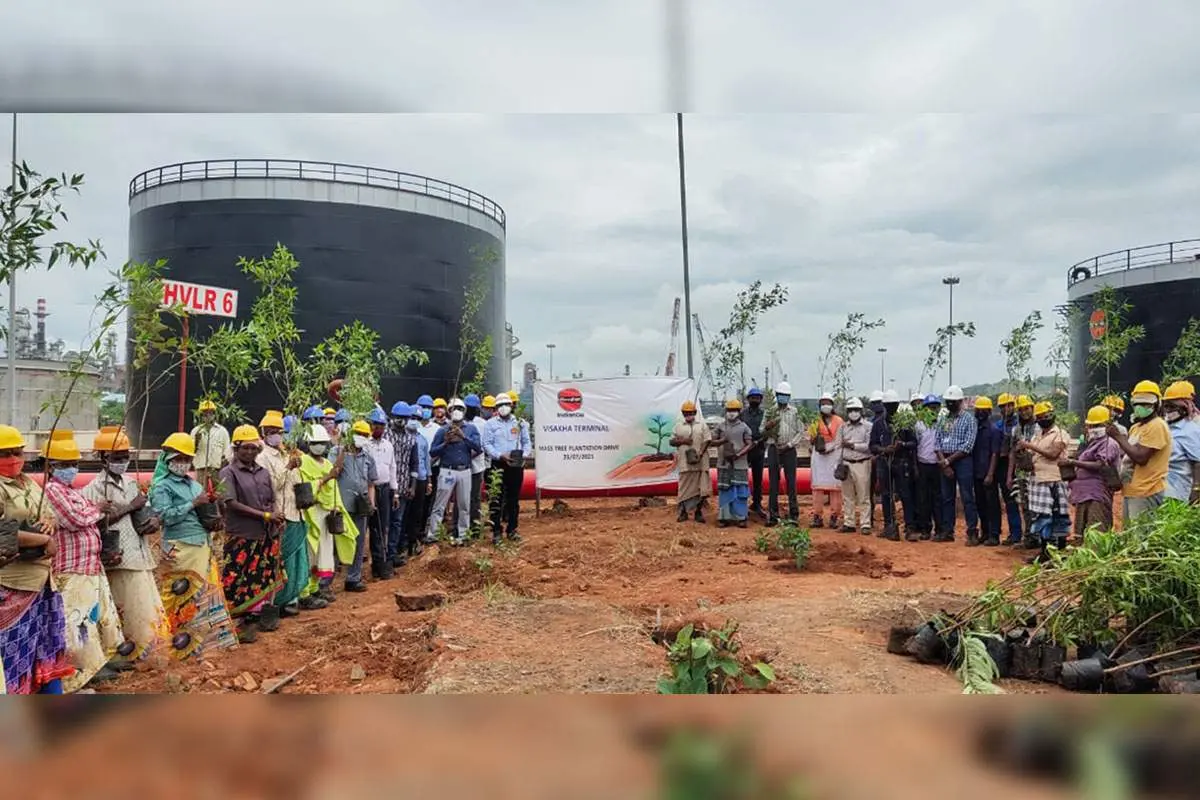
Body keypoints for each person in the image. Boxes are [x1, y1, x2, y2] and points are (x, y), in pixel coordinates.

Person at [41, 430, 127, 691]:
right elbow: (76, 518)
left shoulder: (70, 491)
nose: (71, 469)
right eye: (65, 465)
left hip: (88, 565)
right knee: (77, 621)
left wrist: (92, 509)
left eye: (74, 464)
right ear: (50, 466)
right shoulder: (54, 490)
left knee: (96, 616)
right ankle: (78, 672)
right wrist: (97, 509)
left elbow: (85, 511)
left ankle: (96, 665)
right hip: (72, 567)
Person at [81, 425, 168, 661]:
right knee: (129, 610)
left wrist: (153, 521)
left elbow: (141, 516)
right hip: (119, 558)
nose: (122, 461)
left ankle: (146, 653)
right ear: (103, 458)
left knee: (144, 606)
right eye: (116, 457)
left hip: (139, 555)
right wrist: (130, 507)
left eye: (125, 457)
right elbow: (93, 524)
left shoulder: (131, 483)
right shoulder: (93, 489)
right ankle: (132, 656)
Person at [149, 432, 239, 660]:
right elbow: (163, 517)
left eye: (186, 459)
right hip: (180, 546)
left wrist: (213, 511)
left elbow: (204, 512)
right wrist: (192, 504)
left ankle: (207, 645)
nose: (182, 463)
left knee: (204, 594)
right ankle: (181, 647)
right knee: (182, 594)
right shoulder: (162, 487)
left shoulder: (193, 484)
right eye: (178, 458)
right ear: (168, 459)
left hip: (200, 543)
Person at [0, 425, 73, 694]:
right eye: (4, 454)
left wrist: (49, 522)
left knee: (45, 647)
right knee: (13, 653)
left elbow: (49, 513)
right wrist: (43, 540)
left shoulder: (28, 482)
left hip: (42, 579)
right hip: (13, 582)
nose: (12, 459)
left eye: (16, 452)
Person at [217, 425, 285, 644]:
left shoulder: (263, 472)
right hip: (242, 534)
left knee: (260, 576)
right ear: (236, 449)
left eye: (254, 448)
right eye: (245, 448)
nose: (250, 452)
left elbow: (271, 498)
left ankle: (255, 616)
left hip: (265, 533)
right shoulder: (228, 473)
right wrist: (264, 516)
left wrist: (275, 517)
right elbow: (231, 503)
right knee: (236, 578)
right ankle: (235, 622)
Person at [256, 410, 315, 615]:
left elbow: (295, 482)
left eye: (279, 431)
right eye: (271, 431)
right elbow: (272, 486)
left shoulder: (286, 453)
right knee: (285, 559)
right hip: (281, 514)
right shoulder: (263, 457)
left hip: (296, 511)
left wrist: (295, 466)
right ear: (264, 433)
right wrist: (288, 468)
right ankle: (279, 600)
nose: (276, 435)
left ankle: (293, 597)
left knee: (299, 558)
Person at [297, 425, 359, 605]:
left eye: (322, 443)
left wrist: (336, 506)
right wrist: (326, 478)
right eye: (315, 443)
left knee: (324, 553)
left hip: (325, 514)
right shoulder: (303, 462)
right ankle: (304, 593)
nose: (319, 446)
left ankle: (316, 588)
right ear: (309, 444)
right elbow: (306, 489)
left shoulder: (327, 464)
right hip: (311, 512)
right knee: (310, 553)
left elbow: (333, 490)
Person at [1108, 380, 1172, 524]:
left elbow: (1141, 457)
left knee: (1140, 537)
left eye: (1146, 404)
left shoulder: (1157, 426)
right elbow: (1129, 455)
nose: (1140, 407)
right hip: (1131, 490)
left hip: (1146, 490)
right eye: (1137, 403)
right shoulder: (1136, 427)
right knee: (1129, 536)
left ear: (1156, 404)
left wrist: (1118, 437)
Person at [1017, 402, 1070, 560]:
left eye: (1046, 416)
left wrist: (1030, 446)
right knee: (1041, 517)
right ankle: (1045, 551)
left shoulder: (1060, 434)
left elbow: (1053, 454)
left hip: (1054, 480)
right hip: (1038, 481)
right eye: (1040, 417)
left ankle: (1058, 551)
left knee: (1056, 516)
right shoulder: (1037, 435)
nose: (1043, 419)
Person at [1060, 405, 1123, 539]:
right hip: (1084, 494)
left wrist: (1074, 463)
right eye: (1091, 426)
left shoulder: (1109, 444)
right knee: (1081, 532)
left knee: (1096, 531)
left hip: (1097, 494)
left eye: (1097, 425)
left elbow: (1100, 465)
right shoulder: (1092, 443)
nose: (1094, 429)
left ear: (1107, 425)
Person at [427, 398, 483, 546]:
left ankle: (463, 535)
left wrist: (464, 437)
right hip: (447, 471)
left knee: (464, 504)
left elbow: (478, 448)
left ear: (464, 411)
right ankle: (433, 534)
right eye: (453, 409)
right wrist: (445, 442)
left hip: (465, 471)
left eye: (459, 408)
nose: (456, 411)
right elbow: (433, 452)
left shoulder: (471, 429)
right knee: (440, 505)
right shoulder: (442, 430)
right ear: (449, 412)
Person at [334, 420, 377, 592]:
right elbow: (333, 473)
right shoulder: (338, 452)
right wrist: (342, 451)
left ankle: (353, 578)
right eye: (359, 434)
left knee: (359, 543)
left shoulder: (368, 457)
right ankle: (325, 581)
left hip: (361, 507)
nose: (362, 438)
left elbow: (371, 483)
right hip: (342, 506)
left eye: (365, 435)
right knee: (337, 542)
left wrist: (372, 504)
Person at [483, 393, 531, 545]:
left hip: (515, 466)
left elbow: (526, 442)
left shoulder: (519, 423)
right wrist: (499, 455)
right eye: (500, 405)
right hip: (497, 465)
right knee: (495, 499)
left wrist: (524, 455)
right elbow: (486, 444)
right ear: (496, 408)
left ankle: (512, 529)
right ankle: (496, 531)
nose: (504, 408)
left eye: (506, 404)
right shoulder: (490, 424)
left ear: (511, 406)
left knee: (513, 499)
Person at [934, 385, 978, 543]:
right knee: (947, 498)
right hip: (944, 461)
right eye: (948, 401)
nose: (950, 404)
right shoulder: (943, 419)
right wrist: (944, 463)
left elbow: (968, 445)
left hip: (962, 460)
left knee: (967, 497)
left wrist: (948, 461)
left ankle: (972, 532)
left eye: (953, 401)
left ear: (960, 401)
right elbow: (936, 442)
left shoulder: (969, 419)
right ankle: (947, 531)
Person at [869, 390, 913, 542]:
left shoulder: (904, 424)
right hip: (884, 463)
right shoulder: (878, 424)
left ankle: (910, 527)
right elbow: (872, 446)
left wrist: (903, 444)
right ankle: (889, 525)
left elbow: (914, 443)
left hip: (900, 462)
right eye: (889, 405)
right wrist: (883, 450)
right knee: (886, 495)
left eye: (894, 405)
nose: (892, 408)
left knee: (905, 494)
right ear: (884, 406)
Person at [362, 407, 398, 578]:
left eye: (382, 426)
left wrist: (395, 491)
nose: (379, 429)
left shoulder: (388, 445)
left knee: (383, 526)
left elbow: (392, 468)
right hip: (369, 488)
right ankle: (369, 561)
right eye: (376, 426)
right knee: (369, 526)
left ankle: (380, 562)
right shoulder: (365, 445)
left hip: (384, 489)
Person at [764, 383, 804, 526]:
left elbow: (800, 431)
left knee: (791, 482)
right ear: (776, 396)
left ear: (789, 397)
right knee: (773, 483)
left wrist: (789, 445)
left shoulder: (794, 412)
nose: (783, 398)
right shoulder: (770, 412)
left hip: (789, 450)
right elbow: (762, 429)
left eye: (786, 396)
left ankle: (794, 515)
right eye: (781, 395)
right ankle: (773, 515)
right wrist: (767, 427)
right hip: (774, 448)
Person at [712, 399, 754, 528]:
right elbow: (712, 440)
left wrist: (738, 454)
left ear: (739, 412)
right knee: (725, 489)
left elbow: (749, 444)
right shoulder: (720, 426)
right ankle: (724, 517)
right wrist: (721, 441)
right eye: (729, 410)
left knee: (740, 490)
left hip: (739, 464)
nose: (731, 413)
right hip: (724, 463)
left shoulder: (744, 427)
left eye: (734, 410)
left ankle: (741, 517)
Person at [805, 390, 843, 529]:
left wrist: (830, 447)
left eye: (828, 403)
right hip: (819, 457)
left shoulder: (839, 421)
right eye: (823, 403)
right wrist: (814, 440)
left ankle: (834, 516)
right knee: (817, 488)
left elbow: (840, 439)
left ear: (832, 405)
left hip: (834, 455)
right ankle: (817, 516)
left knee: (835, 488)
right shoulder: (815, 420)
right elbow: (809, 437)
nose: (825, 405)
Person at [1005, 395, 1039, 549]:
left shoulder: (1040, 428)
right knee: (1024, 505)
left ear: (1033, 408)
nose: (1024, 412)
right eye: (1021, 409)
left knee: (1037, 506)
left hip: (1037, 472)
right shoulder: (1016, 429)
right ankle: (1029, 537)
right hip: (1021, 473)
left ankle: (1039, 537)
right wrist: (1009, 475)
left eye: (1026, 408)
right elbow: (1012, 453)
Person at [670, 400, 713, 524]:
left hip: (700, 462)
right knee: (684, 488)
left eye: (691, 412)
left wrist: (700, 453)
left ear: (695, 412)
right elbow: (671, 441)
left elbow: (707, 440)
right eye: (686, 413)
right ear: (683, 413)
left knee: (701, 488)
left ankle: (698, 512)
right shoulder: (678, 426)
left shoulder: (702, 425)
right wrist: (683, 441)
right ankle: (683, 512)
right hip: (685, 463)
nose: (689, 415)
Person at [969, 397, 1004, 547]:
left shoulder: (994, 431)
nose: (979, 412)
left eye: (983, 410)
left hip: (988, 473)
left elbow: (995, 454)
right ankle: (985, 533)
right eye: (978, 410)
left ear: (989, 412)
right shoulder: (975, 429)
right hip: (976, 473)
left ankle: (994, 535)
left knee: (992, 505)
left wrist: (990, 474)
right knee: (980, 504)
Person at [837, 396, 873, 534]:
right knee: (847, 496)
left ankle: (865, 524)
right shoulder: (843, 427)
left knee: (863, 495)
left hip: (862, 463)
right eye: (851, 410)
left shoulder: (868, 427)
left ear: (861, 411)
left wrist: (852, 445)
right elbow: (839, 446)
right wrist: (838, 464)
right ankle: (849, 522)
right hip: (846, 463)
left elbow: (868, 446)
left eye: (856, 410)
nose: (853, 413)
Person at [993, 392, 1024, 546]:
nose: (1008, 408)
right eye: (1005, 406)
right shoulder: (998, 426)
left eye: (1011, 405)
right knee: (1008, 500)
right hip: (1001, 465)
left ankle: (1023, 533)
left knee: (1019, 501)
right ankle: (1014, 533)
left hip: (1017, 466)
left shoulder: (1019, 425)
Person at [1162, 381, 1200, 505]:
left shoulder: (1190, 430)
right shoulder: (1166, 427)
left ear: (1185, 407)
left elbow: (1198, 462)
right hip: (1160, 490)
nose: (1168, 410)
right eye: (1166, 406)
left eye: (1172, 406)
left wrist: (1196, 489)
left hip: (1177, 492)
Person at [403, 403, 433, 559]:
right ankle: (402, 543)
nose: (414, 420)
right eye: (412, 417)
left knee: (418, 512)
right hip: (405, 479)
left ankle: (413, 542)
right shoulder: (403, 437)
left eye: (417, 418)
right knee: (403, 512)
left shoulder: (422, 440)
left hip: (421, 479)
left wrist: (429, 480)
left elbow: (426, 461)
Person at [912, 394, 942, 540]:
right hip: (923, 465)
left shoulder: (942, 424)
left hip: (938, 466)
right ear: (924, 409)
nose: (933, 410)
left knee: (938, 498)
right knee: (923, 499)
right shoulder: (918, 425)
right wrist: (916, 467)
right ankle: (925, 529)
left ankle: (940, 529)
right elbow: (915, 447)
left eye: (935, 407)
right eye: (930, 407)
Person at [189, 399, 230, 490]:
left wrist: (222, 467)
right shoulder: (196, 431)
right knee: (200, 492)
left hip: (217, 468)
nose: (208, 415)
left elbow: (227, 451)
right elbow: (191, 451)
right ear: (201, 415)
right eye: (205, 413)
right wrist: (196, 441)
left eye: (210, 413)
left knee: (219, 493)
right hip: (201, 468)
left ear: (214, 414)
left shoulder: (222, 431)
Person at [416, 395, 441, 533]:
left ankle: (425, 528)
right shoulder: (414, 425)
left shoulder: (437, 428)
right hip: (416, 470)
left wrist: (430, 462)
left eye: (428, 408)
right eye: (423, 407)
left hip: (434, 467)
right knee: (416, 501)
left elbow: (439, 448)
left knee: (430, 499)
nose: (426, 410)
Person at [464, 394, 489, 534]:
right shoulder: (459, 422)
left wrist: (470, 455)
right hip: (461, 466)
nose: (471, 410)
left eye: (473, 408)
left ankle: (474, 525)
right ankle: (462, 524)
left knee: (475, 496)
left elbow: (483, 446)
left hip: (476, 466)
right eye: (469, 408)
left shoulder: (482, 424)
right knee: (462, 497)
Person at [741, 387, 767, 519]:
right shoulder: (743, 414)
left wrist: (758, 442)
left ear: (760, 400)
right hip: (745, 450)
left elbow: (767, 432)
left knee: (758, 478)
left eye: (757, 398)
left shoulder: (764, 415)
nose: (755, 400)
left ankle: (757, 503)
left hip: (759, 449)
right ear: (748, 399)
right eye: (752, 398)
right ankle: (742, 503)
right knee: (742, 477)